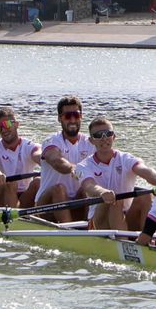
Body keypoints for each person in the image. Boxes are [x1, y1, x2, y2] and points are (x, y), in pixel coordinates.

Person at [76, 118, 156, 231]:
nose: (104, 138)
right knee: (115, 201)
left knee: (146, 195)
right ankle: (124, 239)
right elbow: (89, 186)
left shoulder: (126, 159)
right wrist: (102, 192)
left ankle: (147, 237)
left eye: (108, 134)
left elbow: (146, 171)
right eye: (98, 135)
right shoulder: (83, 166)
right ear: (91, 141)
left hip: (126, 215)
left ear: (114, 136)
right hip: (99, 220)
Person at [35, 95, 94, 223]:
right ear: (59, 118)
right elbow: (57, 162)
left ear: (81, 116)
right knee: (59, 189)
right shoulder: (51, 141)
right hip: (48, 205)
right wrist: (76, 169)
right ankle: (68, 228)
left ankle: (89, 227)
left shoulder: (91, 143)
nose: (72, 120)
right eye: (67, 116)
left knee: (87, 188)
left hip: (77, 202)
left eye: (76, 115)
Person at [0, 106, 41, 208]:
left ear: (16, 124)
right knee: (10, 183)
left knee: (38, 181)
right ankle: (13, 215)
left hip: (24, 197)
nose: (3, 130)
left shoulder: (28, 145)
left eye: (6, 125)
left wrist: (46, 162)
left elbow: (38, 155)